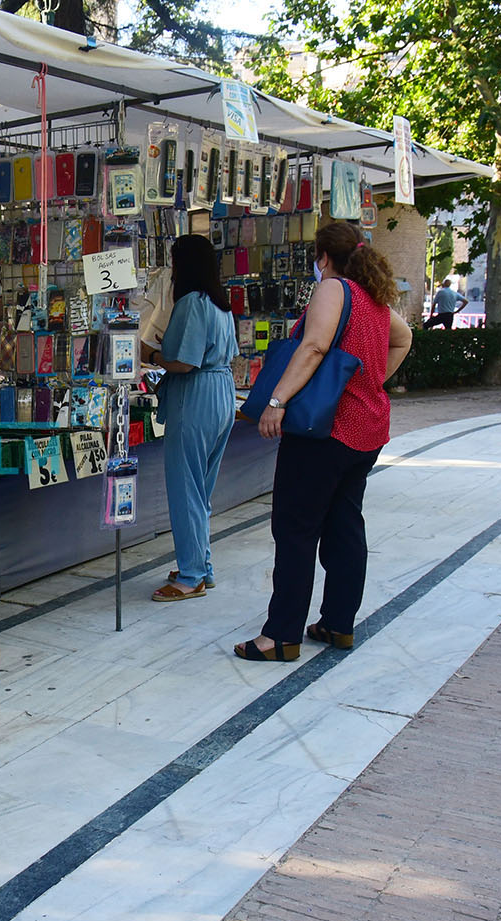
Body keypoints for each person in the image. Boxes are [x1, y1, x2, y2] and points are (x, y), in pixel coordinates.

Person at [234, 223, 413, 660]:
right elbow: (403, 338)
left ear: (322, 257)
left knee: (295, 529)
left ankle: (281, 636)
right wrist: (370, 380)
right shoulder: (373, 296)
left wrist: (278, 399)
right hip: (365, 430)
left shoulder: (333, 289)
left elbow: (313, 347)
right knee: (344, 526)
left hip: (325, 429)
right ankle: (337, 624)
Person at [142, 235, 239, 601]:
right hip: (221, 392)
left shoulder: (191, 303)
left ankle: (191, 575)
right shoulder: (220, 304)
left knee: (185, 489)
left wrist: (150, 355)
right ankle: (201, 563)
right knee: (201, 489)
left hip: (195, 394)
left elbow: (183, 361)